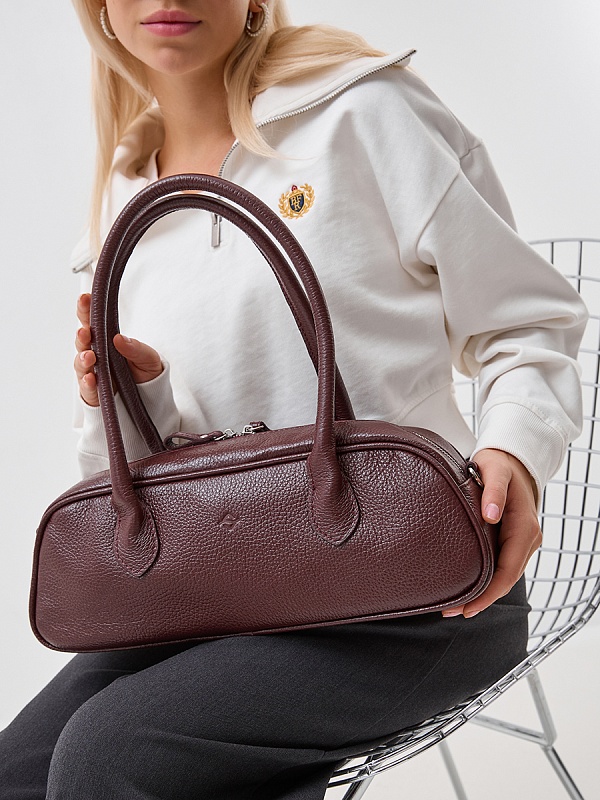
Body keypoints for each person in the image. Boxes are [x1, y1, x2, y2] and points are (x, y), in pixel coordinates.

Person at [0, 2, 588, 798]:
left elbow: (527, 320)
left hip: (417, 589)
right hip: (216, 592)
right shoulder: (123, 199)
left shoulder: (363, 111)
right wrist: (137, 400)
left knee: (112, 757)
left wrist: (514, 448)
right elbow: (129, 486)